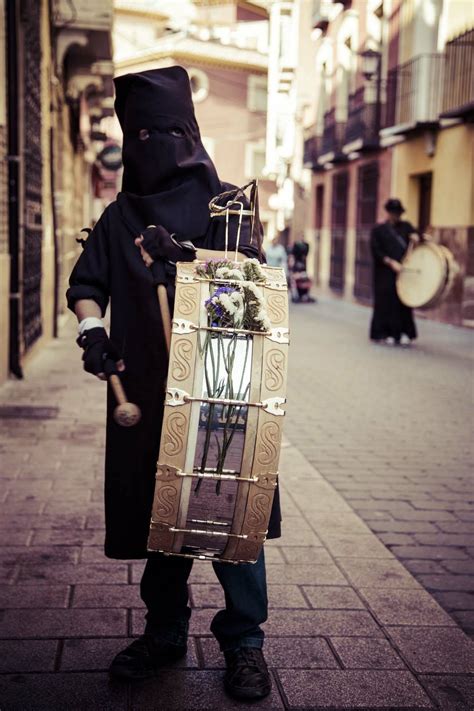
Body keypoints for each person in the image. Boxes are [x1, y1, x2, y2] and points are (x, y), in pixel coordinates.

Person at [66, 66, 281, 701]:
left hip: (222, 391)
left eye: (167, 131)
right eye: (143, 133)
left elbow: (248, 299)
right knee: (164, 515)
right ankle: (164, 632)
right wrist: (92, 334)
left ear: (188, 133)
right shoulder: (117, 216)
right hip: (146, 390)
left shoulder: (230, 207)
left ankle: (245, 643)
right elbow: (85, 287)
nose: (154, 143)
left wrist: (190, 262)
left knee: (231, 516)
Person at [370, 198, 419, 345]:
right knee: (385, 302)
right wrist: (391, 263)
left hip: (403, 271)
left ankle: (405, 332)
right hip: (384, 272)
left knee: (403, 301)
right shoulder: (378, 230)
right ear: (388, 213)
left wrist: (416, 237)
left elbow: (418, 238)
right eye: (393, 212)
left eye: (397, 213)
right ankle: (384, 333)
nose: (395, 216)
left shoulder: (407, 227)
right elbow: (376, 250)